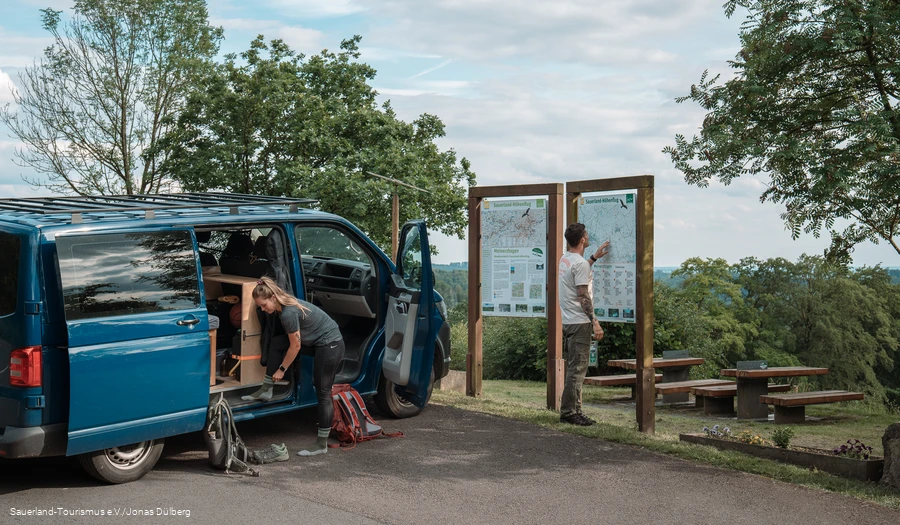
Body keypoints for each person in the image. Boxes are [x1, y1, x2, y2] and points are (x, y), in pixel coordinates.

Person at [241, 277, 345, 456]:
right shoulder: (282, 306)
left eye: (264, 305)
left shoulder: (288, 313)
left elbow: (295, 346)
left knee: (323, 393)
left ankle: (321, 444)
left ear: (273, 297)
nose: (264, 310)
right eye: (261, 307)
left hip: (331, 344)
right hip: (317, 342)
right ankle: (266, 389)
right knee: (277, 343)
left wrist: (281, 369)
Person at [558, 223, 610, 426]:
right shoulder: (579, 264)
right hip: (580, 322)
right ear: (582, 240)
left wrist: (594, 258)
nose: (588, 238)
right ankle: (569, 412)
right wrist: (595, 322)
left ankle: (575, 410)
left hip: (569, 321)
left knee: (574, 367)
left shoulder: (567, 259)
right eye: (586, 235)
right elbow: (583, 296)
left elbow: (577, 272)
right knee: (577, 369)